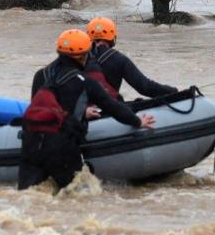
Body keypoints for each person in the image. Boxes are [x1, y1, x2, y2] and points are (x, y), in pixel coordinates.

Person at [17, 29, 155, 191]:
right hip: (60, 147)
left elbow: (56, 106)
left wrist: (82, 112)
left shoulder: (47, 77)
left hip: (31, 144)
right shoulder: (85, 82)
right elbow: (113, 107)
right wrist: (138, 121)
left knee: (30, 196)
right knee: (78, 197)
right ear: (84, 55)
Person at [85, 17, 178, 100]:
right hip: (108, 109)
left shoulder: (77, 56)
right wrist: (173, 91)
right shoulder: (119, 59)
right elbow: (144, 87)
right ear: (113, 38)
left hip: (83, 111)